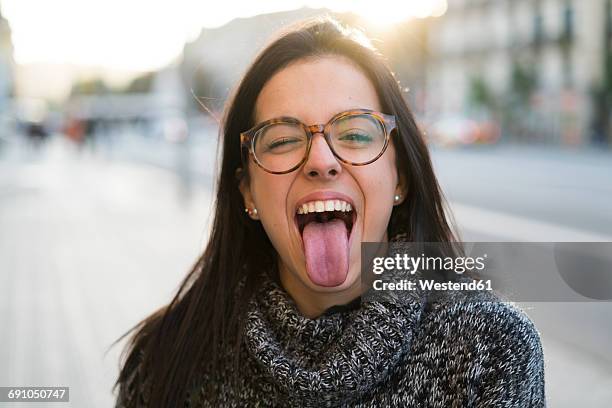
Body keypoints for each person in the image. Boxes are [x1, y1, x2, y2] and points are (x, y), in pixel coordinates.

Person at [114, 17, 545, 407]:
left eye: (356, 134)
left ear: (400, 178)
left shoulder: (491, 348)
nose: (321, 160)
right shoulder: (165, 357)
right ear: (247, 192)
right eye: (282, 140)